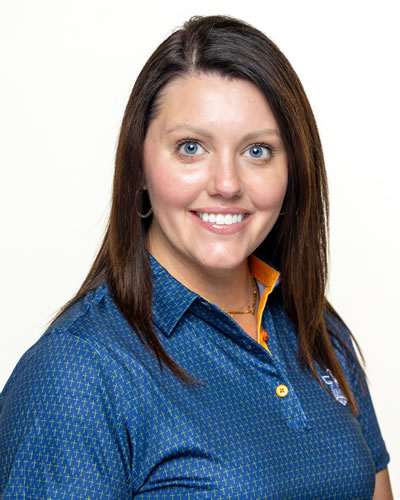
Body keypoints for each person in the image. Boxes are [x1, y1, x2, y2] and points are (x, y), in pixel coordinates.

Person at [0, 14, 392, 499]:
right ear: (139, 165)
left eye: (258, 151)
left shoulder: (318, 329)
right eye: (191, 147)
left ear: (293, 169)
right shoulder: (78, 370)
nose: (226, 184)